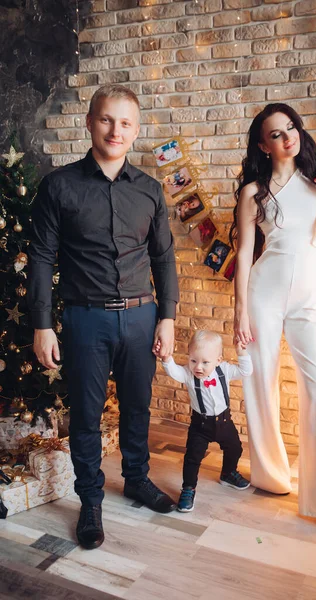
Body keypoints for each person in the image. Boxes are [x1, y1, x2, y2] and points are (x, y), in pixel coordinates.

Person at [28, 84, 179, 550]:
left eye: (126, 122)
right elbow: (40, 257)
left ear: (136, 131)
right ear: (90, 123)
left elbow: (164, 259)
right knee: (88, 416)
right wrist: (42, 324)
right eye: (107, 120)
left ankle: (135, 479)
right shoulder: (59, 185)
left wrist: (167, 317)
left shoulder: (151, 190)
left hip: (140, 317)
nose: (116, 130)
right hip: (84, 320)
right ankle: (90, 500)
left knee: (137, 407)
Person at [230, 102, 316, 538]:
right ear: (263, 146)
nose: (288, 138)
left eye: (292, 129)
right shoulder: (253, 192)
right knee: (259, 380)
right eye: (277, 134)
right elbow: (245, 254)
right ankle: (271, 476)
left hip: (307, 300)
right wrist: (240, 310)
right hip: (262, 294)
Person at [162, 330, 253, 512]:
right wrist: (166, 359)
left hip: (224, 421)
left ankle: (228, 473)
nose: (198, 367)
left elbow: (246, 371)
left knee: (235, 448)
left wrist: (241, 352)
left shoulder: (224, 370)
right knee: (192, 457)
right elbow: (174, 372)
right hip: (200, 425)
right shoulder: (188, 374)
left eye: (205, 362)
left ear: (218, 360)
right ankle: (188, 488)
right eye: (193, 360)